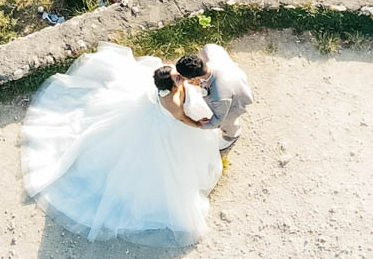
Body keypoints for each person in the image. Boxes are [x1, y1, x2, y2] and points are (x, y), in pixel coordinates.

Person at [20, 44, 223, 246]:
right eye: (175, 78)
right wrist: (198, 124)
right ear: (168, 88)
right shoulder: (172, 103)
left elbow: (177, 79)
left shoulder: (168, 80)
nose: (178, 75)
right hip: (164, 127)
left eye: (176, 74)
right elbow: (182, 119)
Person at [175, 42, 254, 151]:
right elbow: (209, 48)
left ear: (193, 78)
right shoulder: (211, 54)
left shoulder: (219, 97)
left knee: (228, 122)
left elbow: (219, 119)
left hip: (235, 103)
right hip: (235, 78)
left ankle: (232, 135)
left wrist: (201, 125)